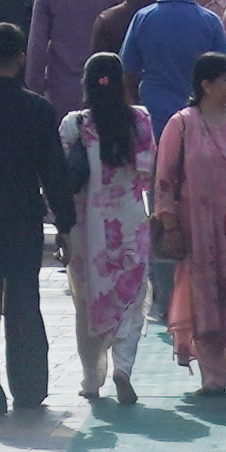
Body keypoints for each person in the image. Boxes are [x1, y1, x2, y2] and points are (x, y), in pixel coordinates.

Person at [0, 20, 79, 415]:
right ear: (21, 59)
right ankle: (29, 387)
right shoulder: (38, 109)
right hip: (23, 216)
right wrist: (65, 225)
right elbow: (53, 170)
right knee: (24, 299)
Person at [153, 49, 226, 398]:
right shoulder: (181, 124)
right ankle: (213, 375)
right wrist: (169, 225)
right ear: (206, 84)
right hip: (198, 227)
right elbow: (165, 179)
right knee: (206, 297)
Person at [64, 51, 155, 405]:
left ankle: (91, 379)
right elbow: (147, 172)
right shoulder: (141, 121)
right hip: (131, 221)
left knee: (87, 301)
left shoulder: (74, 124)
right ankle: (123, 368)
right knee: (131, 298)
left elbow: (64, 177)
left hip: (87, 229)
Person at [122, 0, 226, 133]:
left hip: (153, 118)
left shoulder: (143, 18)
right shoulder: (210, 21)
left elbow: (128, 71)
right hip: (199, 119)